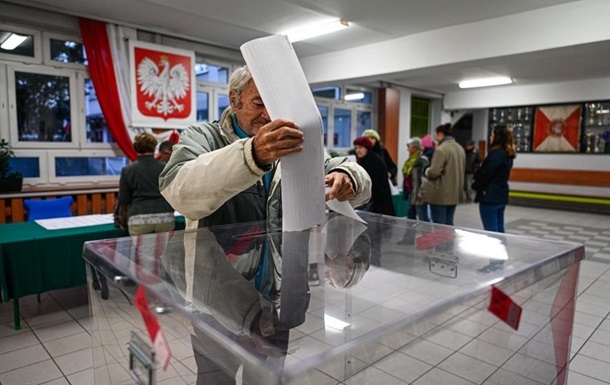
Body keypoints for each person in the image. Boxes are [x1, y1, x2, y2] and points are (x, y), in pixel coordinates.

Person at [159, 66, 371, 230]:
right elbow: (178, 194)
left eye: (275, 104)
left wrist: (347, 176)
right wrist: (252, 155)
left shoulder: (292, 140)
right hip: (219, 276)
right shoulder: (203, 136)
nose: (269, 115)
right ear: (234, 100)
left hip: (281, 274)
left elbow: (347, 172)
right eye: (259, 103)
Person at [116, 132, 175, 236]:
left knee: (141, 252)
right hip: (165, 216)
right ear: (154, 147)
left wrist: (122, 218)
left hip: (139, 217)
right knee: (165, 251)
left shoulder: (128, 170)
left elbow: (123, 199)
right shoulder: (165, 167)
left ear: (136, 148)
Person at [472, 125, 516, 233]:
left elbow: (486, 174)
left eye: (492, 135)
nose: (490, 137)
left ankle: (494, 249)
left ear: (498, 137)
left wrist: (475, 185)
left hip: (490, 196)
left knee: (491, 231)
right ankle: (502, 249)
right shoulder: (507, 154)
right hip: (501, 195)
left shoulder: (495, 154)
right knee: (500, 230)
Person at [424, 123, 466, 225]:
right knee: (449, 222)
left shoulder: (441, 149)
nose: (435, 137)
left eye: (436, 134)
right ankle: (449, 241)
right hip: (454, 193)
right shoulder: (460, 149)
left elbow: (434, 172)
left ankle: (443, 242)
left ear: (441, 134)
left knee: (439, 226)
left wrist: (426, 171)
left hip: (440, 195)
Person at [353, 136, 395, 216]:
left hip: (378, 202)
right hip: (373, 201)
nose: (358, 150)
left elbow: (372, 183)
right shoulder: (365, 160)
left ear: (367, 148)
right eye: (356, 148)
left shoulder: (372, 161)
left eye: (361, 147)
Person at [402, 137, 429, 221]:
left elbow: (425, 178)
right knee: (410, 216)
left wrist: (421, 193)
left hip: (419, 194)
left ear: (415, 147)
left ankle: (427, 234)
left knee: (422, 217)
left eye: (409, 146)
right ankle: (410, 234)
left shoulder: (422, 160)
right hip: (411, 192)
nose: (407, 149)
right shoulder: (410, 160)